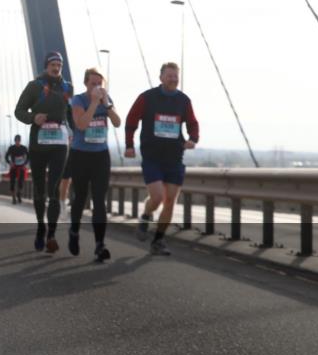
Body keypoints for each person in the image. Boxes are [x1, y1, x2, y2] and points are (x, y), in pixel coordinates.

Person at [124, 62, 198, 256]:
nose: (173, 79)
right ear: (161, 78)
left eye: (176, 76)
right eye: (169, 76)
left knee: (170, 201)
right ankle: (146, 214)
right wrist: (129, 145)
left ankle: (158, 240)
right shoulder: (147, 98)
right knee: (157, 197)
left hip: (174, 157)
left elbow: (193, 123)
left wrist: (193, 139)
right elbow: (131, 120)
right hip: (152, 157)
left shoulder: (183, 100)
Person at [14, 52, 74, 254]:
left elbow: (69, 113)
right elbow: (19, 111)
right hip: (38, 144)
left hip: (59, 144)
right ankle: (41, 227)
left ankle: (51, 235)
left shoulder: (68, 87)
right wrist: (33, 118)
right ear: (46, 66)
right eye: (53, 64)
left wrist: (73, 131)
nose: (56, 68)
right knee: (40, 190)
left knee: (54, 188)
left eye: (59, 65)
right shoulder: (35, 86)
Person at [68, 67, 122, 261]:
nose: (97, 87)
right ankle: (74, 231)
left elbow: (117, 122)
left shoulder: (106, 100)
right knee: (80, 197)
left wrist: (107, 105)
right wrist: (93, 103)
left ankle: (100, 244)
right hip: (80, 155)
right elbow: (81, 125)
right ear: (86, 84)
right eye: (93, 84)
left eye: (100, 84)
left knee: (99, 200)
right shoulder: (78, 100)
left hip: (100, 155)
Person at [5, 135, 29, 204]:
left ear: (20, 141)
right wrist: (10, 163)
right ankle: (13, 198)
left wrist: (25, 164)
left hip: (21, 167)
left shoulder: (24, 148)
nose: (17, 142)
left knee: (21, 182)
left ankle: (19, 194)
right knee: (12, 182)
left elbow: (28, 157)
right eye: (16, 141)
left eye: (18, 141)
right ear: (15, 141)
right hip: (14, 167)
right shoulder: (11, 148)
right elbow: (6, 156)